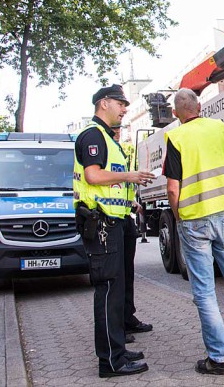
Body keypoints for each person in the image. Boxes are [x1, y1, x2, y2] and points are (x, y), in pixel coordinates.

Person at [163, 88, 224, 375]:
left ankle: (219, 359)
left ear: (175, 114)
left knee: (205, 291)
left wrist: (180, 218)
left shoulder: (176, 137)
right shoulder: (219, 128)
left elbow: (172, 187)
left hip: (194, 221)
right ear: (200, 106)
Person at [73, 84, 155, 378]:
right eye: (121, 104)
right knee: (108, 291)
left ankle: (117, 350)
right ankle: (110, 362)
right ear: (104, 103)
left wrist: (128, 199)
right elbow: (93, 175)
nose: (124, 110)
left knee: (115, 289)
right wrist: (130, 175)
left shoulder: (106, 138)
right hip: (101, 224)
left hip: (112, 222)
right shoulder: (93, 135)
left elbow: (108, 182)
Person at [111, 125, 154, 339]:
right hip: (111, 220)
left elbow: (115, 187)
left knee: (127, 274)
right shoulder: (102, 146)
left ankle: (127, 318)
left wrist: (130, 202)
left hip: (124, 216)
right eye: (115, 128)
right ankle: (119, 327)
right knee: (117, 277)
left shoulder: (116, 149)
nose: (119, 131)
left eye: (119, 128)